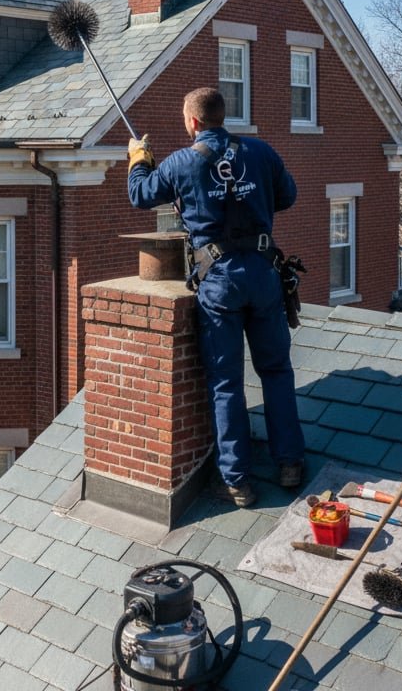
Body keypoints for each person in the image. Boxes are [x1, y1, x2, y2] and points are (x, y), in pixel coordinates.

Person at [126, 86, 304, 508]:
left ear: (192, 122)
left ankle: (237, 481)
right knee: (276, 370)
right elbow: (289, 196)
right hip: (262, 275)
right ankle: (291, 462)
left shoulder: (182, 162)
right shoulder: (260, 152)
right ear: (224, 117)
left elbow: (140, 194)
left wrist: (138, 158)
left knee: (226, 384)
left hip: (219, 280)